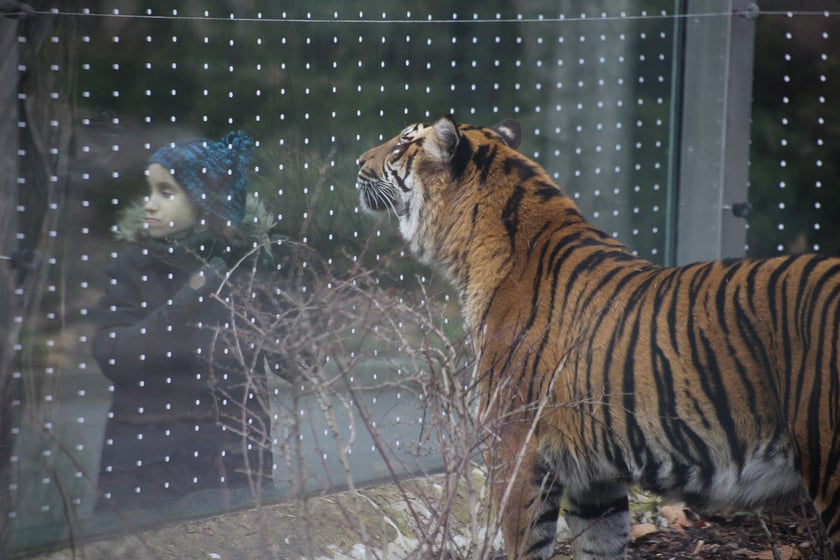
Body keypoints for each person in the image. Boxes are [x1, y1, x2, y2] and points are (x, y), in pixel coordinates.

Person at [92, 130, 276, 515]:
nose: (150, 205)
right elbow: (113, 354)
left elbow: (297, 363)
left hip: (231, 470)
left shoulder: (243, 270)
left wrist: (282, 297)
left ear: (203, 202)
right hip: (145, 472)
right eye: (151, 190)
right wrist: (184, 302)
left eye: (166, 192)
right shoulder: (134, 264)